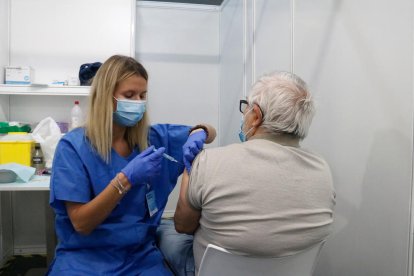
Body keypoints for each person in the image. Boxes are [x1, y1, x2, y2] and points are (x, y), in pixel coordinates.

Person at [47, 55, 216, 275]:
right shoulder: (73, 147)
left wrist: (200, 131)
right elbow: (81, 223)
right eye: (129, 95)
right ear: (106, 97)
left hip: (139, 257)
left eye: (142, 95)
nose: (138, 102)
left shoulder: (152, 138)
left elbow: (210, 133)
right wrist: (125, 180)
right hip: (84, 257)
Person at [173, 71, 336, 274]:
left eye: (246, 108)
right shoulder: (323, 169)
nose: (244, 115)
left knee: (167, 237)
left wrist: (191, 169)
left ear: (256, 116)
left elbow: (183, 225)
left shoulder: (210, 162)